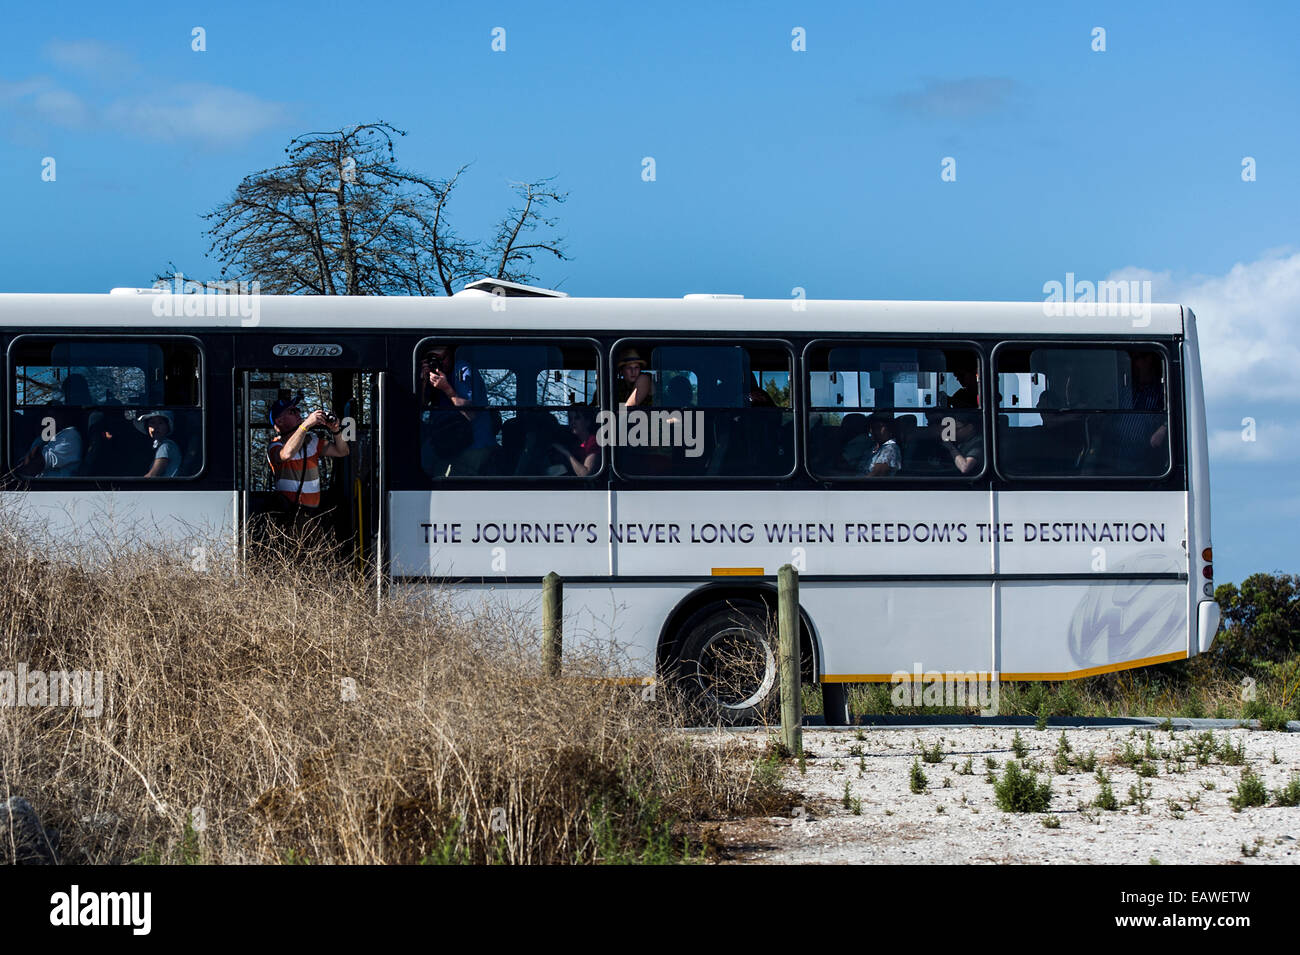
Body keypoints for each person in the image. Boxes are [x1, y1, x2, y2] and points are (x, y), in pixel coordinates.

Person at [266, 397, 349, 521]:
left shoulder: (311, 441)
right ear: (279, 421)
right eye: (292, 412)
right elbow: (287, 454)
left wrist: (335, 430)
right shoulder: (275, 446)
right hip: (291, 514)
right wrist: (306, 424)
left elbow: (342, 451)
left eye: (297, 410)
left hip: (313, 514)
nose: (298, 413)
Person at [420, 344, 495, 476]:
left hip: (472, 445)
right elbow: (421, 405)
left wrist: (447, 388)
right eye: (432, 358)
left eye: (441, 358)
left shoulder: (461, 369)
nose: (437, 362)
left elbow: (470, 413)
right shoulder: (435, 377)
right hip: (446, 443)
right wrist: (424, 381)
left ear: (451, 355)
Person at [17, 409, 82, 477]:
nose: (47, 420)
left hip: (56, 486)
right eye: (46, 415)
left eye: (52, 415)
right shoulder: (44, 438)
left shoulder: (70, 435)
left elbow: (34, 464)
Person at [553, 406, 600, 476]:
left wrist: (566, 453)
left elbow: (585, 474)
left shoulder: (594, 441)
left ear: (587, 422)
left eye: (577, 418)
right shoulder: (575, 443)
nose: (572, 422)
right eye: (570, 419)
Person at [136, 410, 181, 478]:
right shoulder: (159, 445)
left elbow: (152, 476)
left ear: (167, 426)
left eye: (160, 423)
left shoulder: (166, 446)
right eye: (152, 423)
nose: (155, 427)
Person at [940, 411, 982, 475]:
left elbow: (965, 467)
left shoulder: (978, 443)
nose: (953, 432)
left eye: (956, 429)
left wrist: (950, 447)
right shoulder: (962, 442)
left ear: (969, 427)